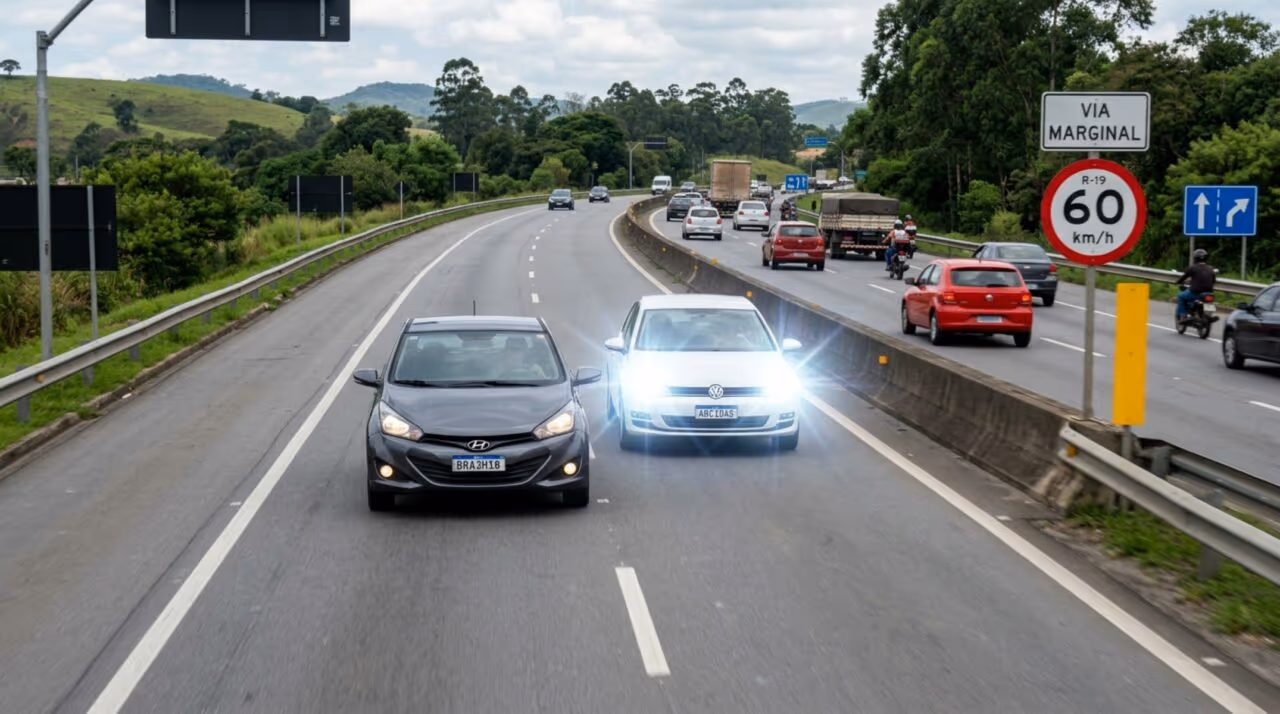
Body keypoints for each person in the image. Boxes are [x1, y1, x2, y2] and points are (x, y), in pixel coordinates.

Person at [1175, 249, 1216, 322]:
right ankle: (1208, 315)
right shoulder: (1211, 268)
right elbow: (1213, 281)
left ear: (1195, 258)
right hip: (1209, 293)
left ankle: (1183, 316)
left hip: (1195, 292)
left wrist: (1177, 282)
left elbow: (1184, 277)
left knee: (1180, 296)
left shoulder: (1193, 267)